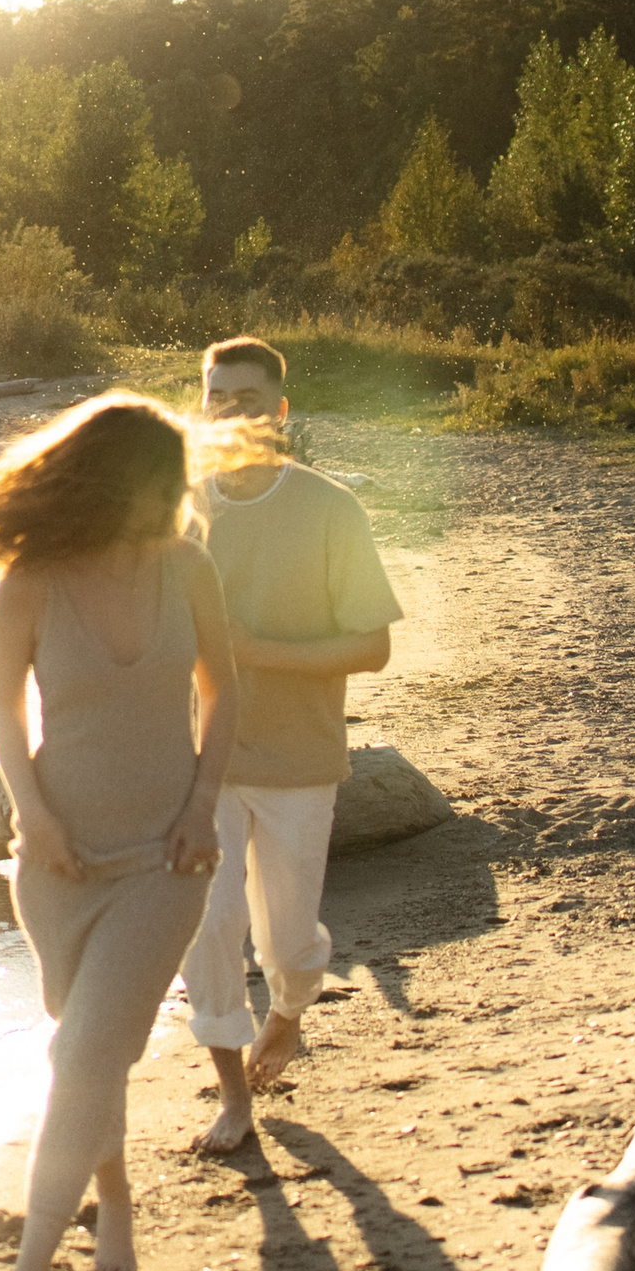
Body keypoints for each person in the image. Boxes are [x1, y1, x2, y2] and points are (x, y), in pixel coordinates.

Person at [0, 394, 241, 1271]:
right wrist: (34, 815)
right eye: (161, 478)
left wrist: (202, 802)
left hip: (165, 860)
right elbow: (5, 712)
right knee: (85, 1053)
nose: (177, 496)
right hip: (56, 866)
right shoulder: (33, 577)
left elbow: (226, 691)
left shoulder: (188, 567)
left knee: (83, 1057)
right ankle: (119, 1207)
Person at [181, 337, 403, 1155]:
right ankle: (233, 1094)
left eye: (247, 399)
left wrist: (254, 650)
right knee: (205, 926)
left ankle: (289, 1010)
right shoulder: (178, 507)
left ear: (279, 411)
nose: (230, 411)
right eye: (216, 398)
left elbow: (372, 646)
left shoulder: (330, 508)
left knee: (288, 941)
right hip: (198, 762)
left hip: (300, 760)